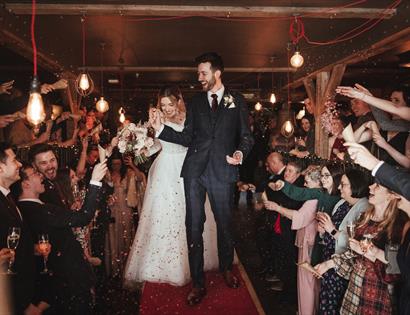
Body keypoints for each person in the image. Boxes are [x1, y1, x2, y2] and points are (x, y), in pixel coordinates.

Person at [150, 53, 254, 305]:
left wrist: (240, 153)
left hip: (223, 170)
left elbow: (247, 136)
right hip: (194, 171)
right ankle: (198, 283)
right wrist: (161, 130)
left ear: (217, 73)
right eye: (198, 73)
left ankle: (227, 269)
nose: (199, 78)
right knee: (193, 225)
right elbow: (186, 138)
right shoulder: (196, 102)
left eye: (203, 73)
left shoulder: (236, 100)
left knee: (225, 223)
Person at [125, 86, 221, 289]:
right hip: (164, 169)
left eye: (170, 104)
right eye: (163, 105)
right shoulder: (157, 119)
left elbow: (192, 142)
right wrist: (142, 149)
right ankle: (163, 265)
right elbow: (159, 144)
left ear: (178, 101)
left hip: (187, 165)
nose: (166, 108)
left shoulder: (189, 118)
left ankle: (194, 262)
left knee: (191, 213)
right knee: (164, 214)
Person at [15, 162, 107, 314]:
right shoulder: (40, 211)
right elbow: (84, 217)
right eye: (36, 173)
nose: (41, 175)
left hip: (55, 286)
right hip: (67, 284)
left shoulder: (23, 209)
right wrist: (95, 181)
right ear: (25, 184)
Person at [315, 182, 405, 314]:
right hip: (355, 287)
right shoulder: (365, 217)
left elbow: (397, 267)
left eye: (378, 186)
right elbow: (353, 253)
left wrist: (371, 252)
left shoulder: (398, 224)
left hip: (377, 292)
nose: (370, 187)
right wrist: (329, 264)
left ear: (391, 195)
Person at [264, 166, 322, 315]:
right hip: (307, 240)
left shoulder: (313, 199)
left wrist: (277, 208)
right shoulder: (313, 196)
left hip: (309, 242)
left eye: (308, 183)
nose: (305, 185)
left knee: (306, 283)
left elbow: (300, 217)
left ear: (318, 183)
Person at [0, 142, 39, 314]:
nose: (20, 165)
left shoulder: (8, 196)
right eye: (14, 160)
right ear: (0, 168)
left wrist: (32, 249)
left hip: (21, 291)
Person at [107, 153, 145, 277]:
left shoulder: (129, 173)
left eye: (118, 164)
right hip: (112, 210)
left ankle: (127, 269)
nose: (116, 166)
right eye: (114, 164)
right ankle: (115, 270)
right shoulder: (108, 174)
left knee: (126, 236)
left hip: (126, 209)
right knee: (113, 236)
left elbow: (140, 178)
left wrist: (133, 166)